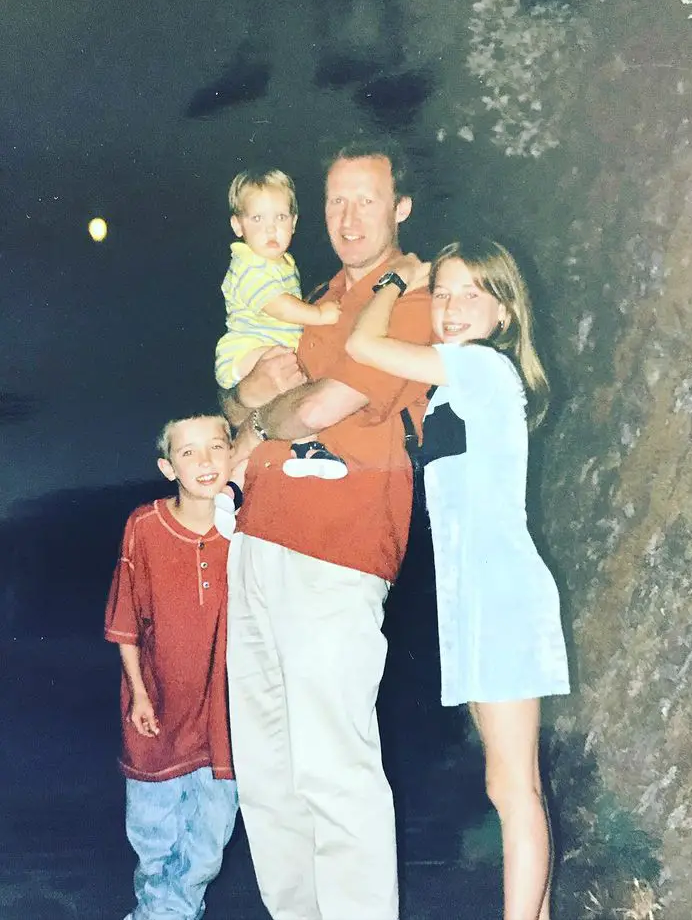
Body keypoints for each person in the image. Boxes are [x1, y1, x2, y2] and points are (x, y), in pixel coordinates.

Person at [223, 139, 433, 920]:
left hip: (336, 554)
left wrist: (267, 411)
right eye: (336, 200)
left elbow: (315, 410)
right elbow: (241, 403)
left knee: (333, 767)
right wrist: (250, 396)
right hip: (258, 543)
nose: (348, 217)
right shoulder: (308, 296)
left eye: (367, 199)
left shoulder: (408, 303)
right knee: (268, 774)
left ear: (400, 207)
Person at [346, 239, 570, 920]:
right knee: (514, 784)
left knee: (513, 790)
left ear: (504, 310)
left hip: (499, 594)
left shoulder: (477, 366)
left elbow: (363, 343)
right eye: (442, 292)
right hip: (475, 600)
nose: (453, 306)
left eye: (473, 291)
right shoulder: (453, 387)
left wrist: (395, 280)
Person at [104, 414, 239, 920]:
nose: (205, 462)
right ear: (167, 467)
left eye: (216, 447)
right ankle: (158, 913)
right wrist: (139, 692)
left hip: (223, 715)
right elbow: (125, 620)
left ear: (234, 454)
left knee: (210, 835)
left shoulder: (248, 530)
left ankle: (170, 913)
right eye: (189, 453)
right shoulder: (145, 526)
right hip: (158, 707)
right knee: (154, 828)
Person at [215, 168, 346, 479]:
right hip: (246, 347)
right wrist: (319, 315)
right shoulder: (249, 265)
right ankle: (306, 448)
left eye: (280, 218)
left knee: (286, 393)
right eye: (257, 219)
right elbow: (276, 304)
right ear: (237, 225)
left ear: (294, 222)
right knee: (296, 386)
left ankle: (232, 484)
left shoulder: (280, 263)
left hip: (265, 345)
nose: (270, 229)